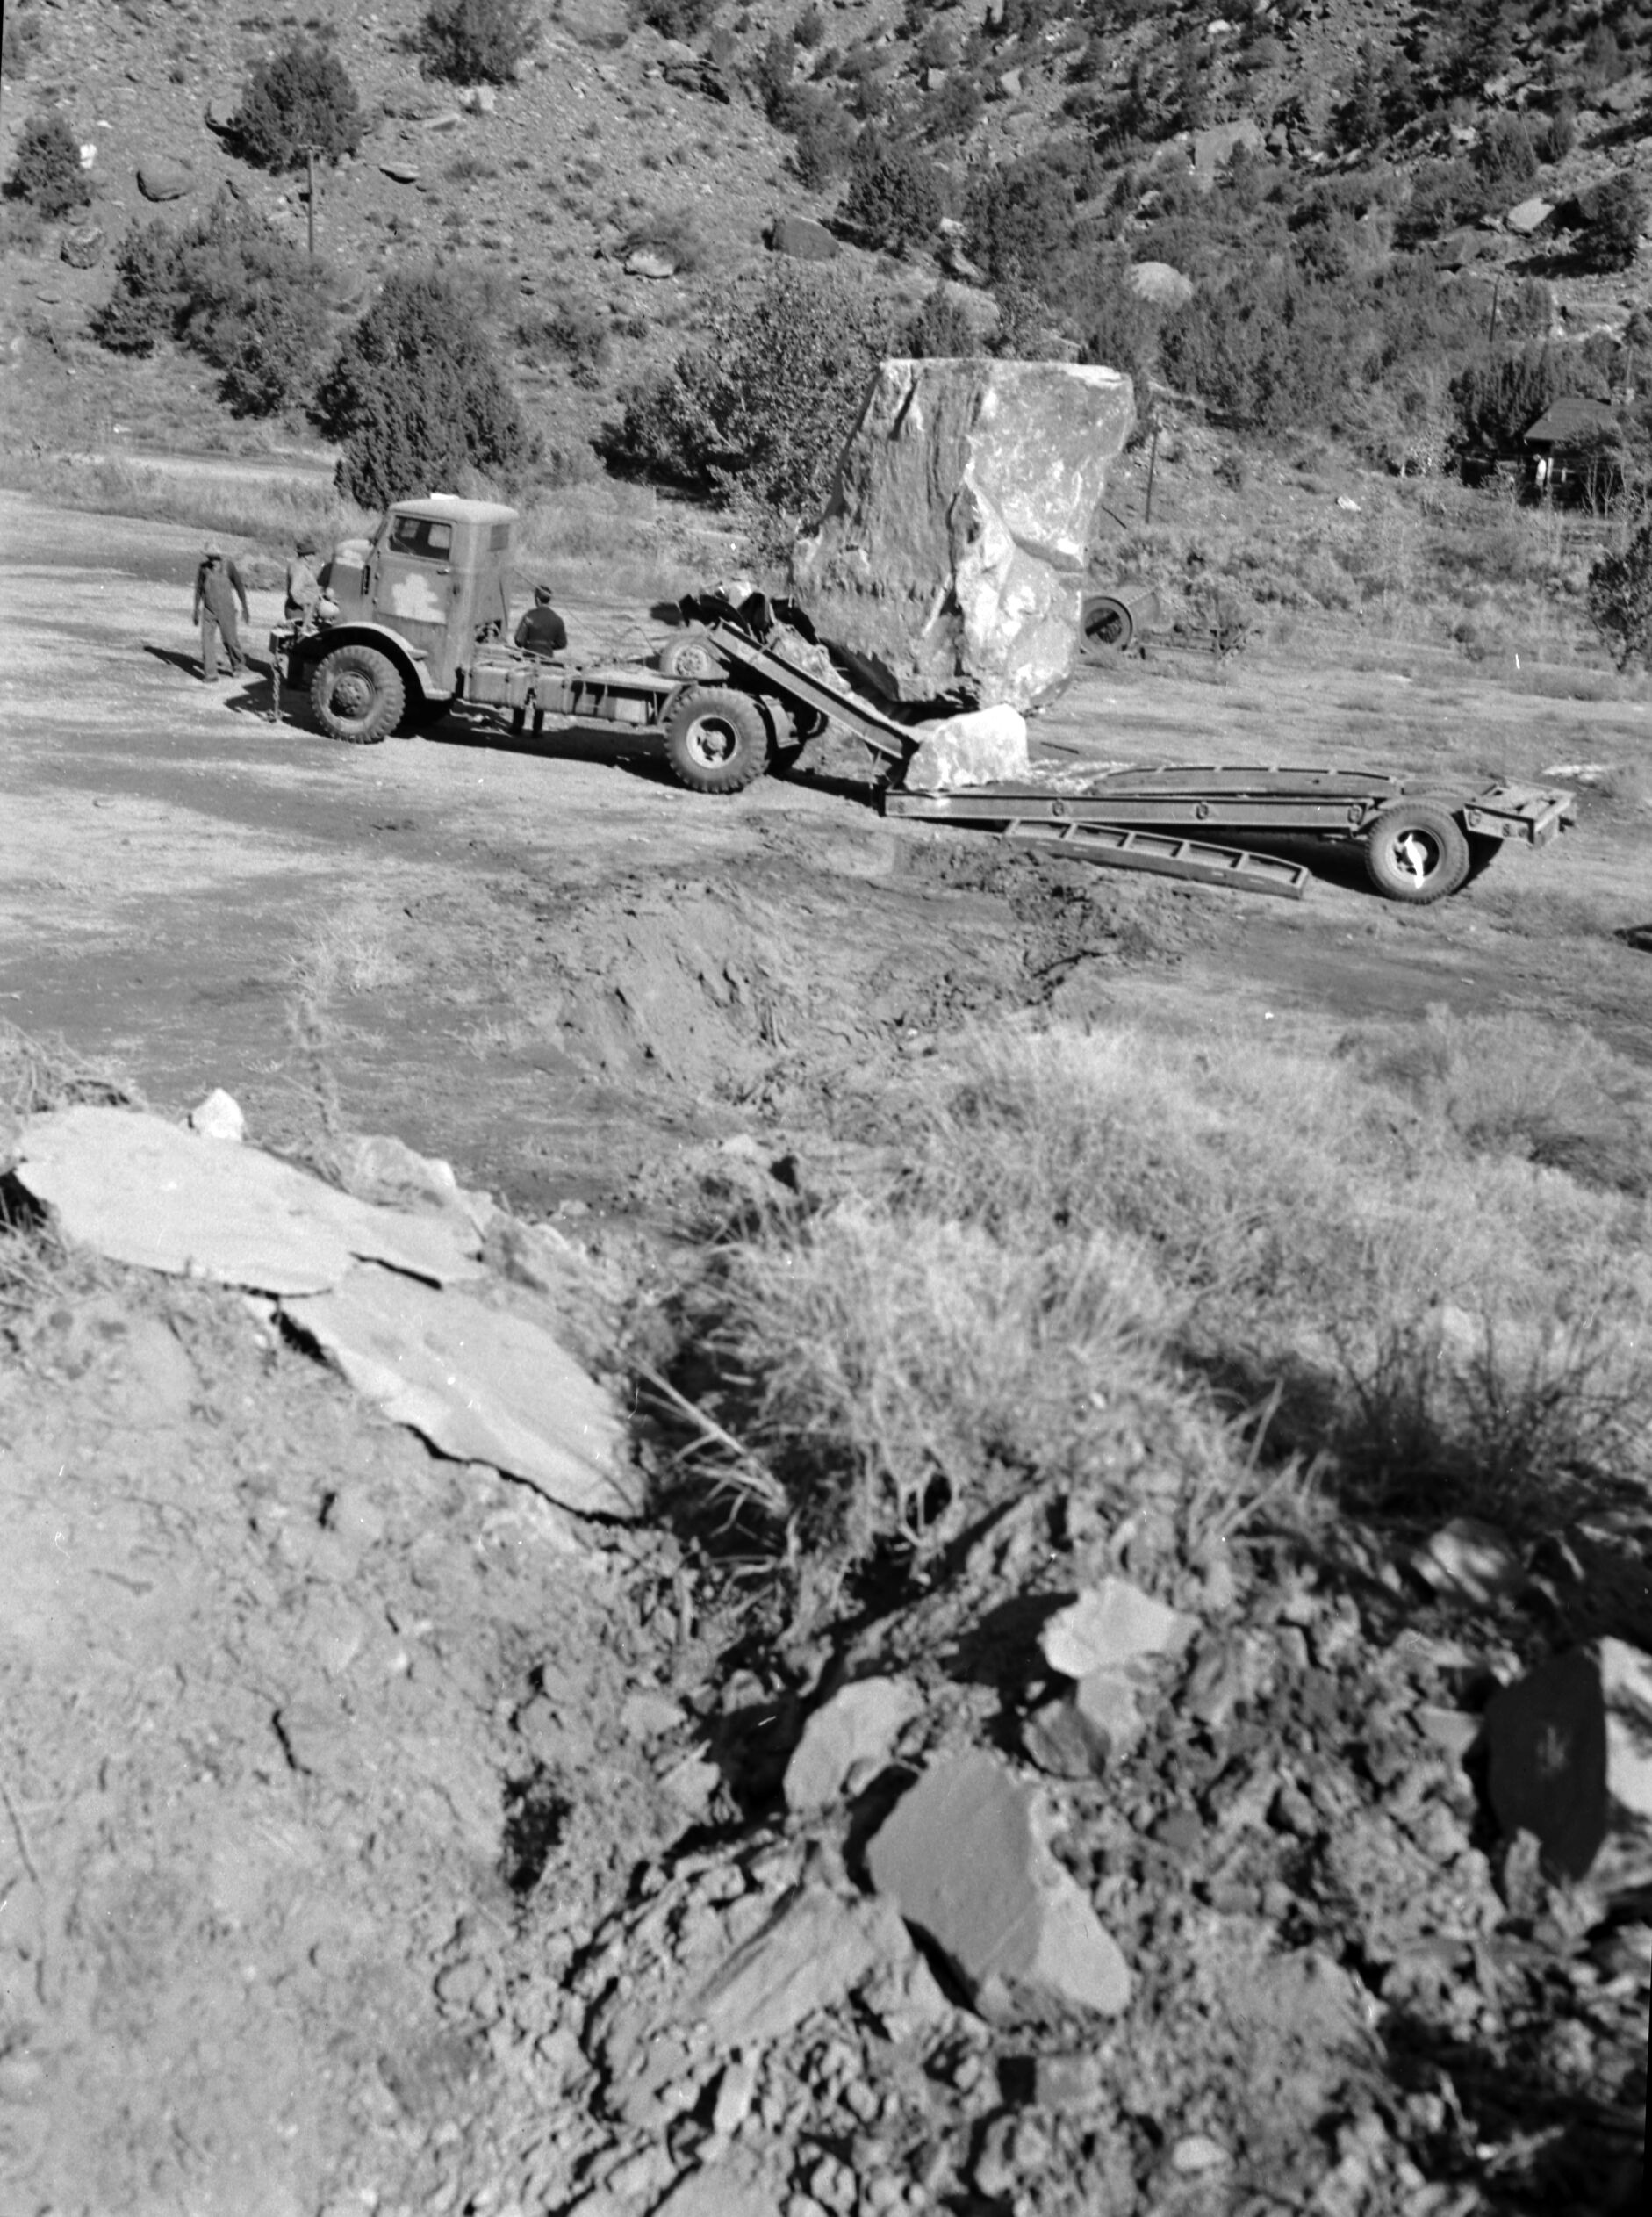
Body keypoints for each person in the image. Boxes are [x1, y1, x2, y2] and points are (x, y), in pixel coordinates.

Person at [192, 546, 251, 681]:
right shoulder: (203, 568)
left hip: (227, 610)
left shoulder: (229, 566)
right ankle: (211, 673)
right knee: (206, 641)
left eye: (214, 558)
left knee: (230, 640)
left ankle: (237, 665)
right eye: (209, 557)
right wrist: (196, 609)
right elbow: (199, 589)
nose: (212, 561)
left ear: (219, 557)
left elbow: (239, 585)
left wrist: (245, 607)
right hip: (209, 610)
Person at [514, 583, 567, 659]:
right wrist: (547, 646)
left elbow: (519, 640)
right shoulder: (558, 620)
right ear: (549, 600)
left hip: (529, 657)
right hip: (547, 658)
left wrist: (529, 644)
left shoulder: (529, 616)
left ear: (537, 600)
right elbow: (562, 644)